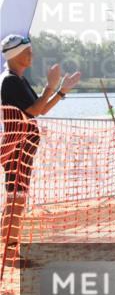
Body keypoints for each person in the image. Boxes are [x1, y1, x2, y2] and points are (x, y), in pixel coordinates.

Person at [1, 34, 81, 268]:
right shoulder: (10, 81)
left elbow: (41, 109)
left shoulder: (18, 79)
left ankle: (10, 252)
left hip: (22, 149)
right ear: (15, 55)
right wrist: (50, 86)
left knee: (17, 201)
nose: (32, 55)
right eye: (28, 51)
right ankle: (9, 255)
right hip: (16, 148)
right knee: (15, 201)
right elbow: (34, 110)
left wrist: (61, 91)